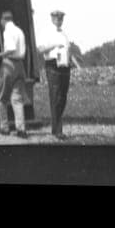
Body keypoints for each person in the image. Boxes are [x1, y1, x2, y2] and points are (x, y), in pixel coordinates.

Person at [35, 8, 83, 140]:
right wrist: (54, 45)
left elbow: (68, 51)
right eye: (57, 18)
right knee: (55, 96)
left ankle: (57, 127)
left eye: (61, 18)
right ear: (52, 18)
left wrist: (75, 63)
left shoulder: (64, 34)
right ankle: (57, 130)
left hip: (65, 66)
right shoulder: (46, 32)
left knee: (63, 96)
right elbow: (40, 49)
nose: (59, 20)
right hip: (53, 65)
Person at [0, 10, 28, 138]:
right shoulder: (20, 31)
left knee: (1, 98)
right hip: (20, 65)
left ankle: (4, 128)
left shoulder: (7, 31)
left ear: (3, 20)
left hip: (9, 65)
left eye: (1, 21)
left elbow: (11, 48)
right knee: (17, 98)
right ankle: (21, 129)